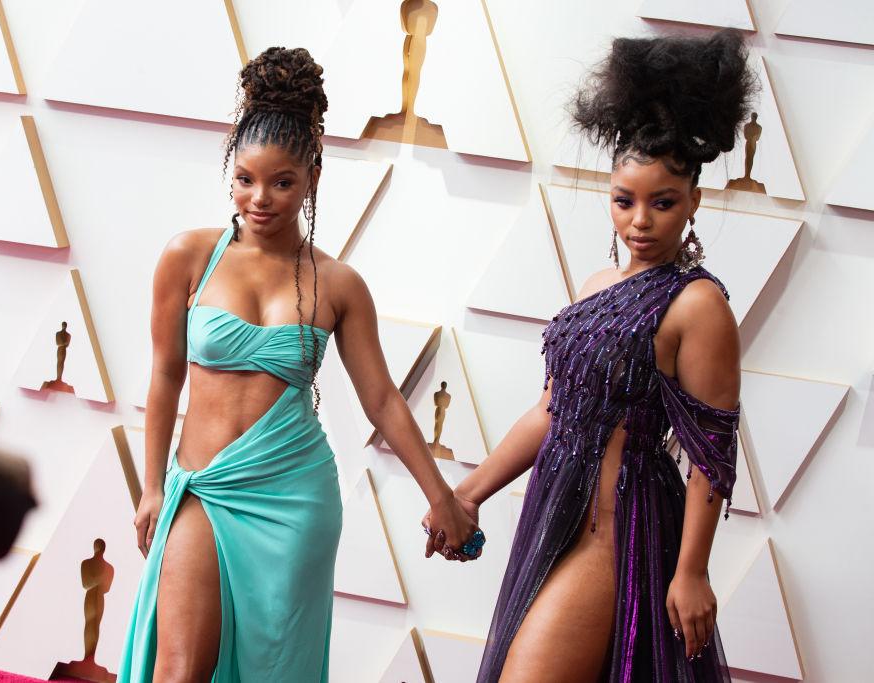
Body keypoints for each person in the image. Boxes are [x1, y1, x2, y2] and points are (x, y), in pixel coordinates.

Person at [118, 47, 480, 683]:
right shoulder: (188, 256)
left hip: (294, 497)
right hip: (202, 484)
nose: (260, 199)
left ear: (312, 175)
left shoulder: (338, 284)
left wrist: (442, 496)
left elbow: (383, 401)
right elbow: (165, 374)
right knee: (178, 671)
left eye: (281, 182)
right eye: (245, 179)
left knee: (274, 670)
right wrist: (151, 485)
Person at [436, 30, 756, 682]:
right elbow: (551, 410)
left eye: (663, 202)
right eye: (624, 200)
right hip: (552, 520)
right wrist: (467, 491)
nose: (640, 220)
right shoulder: (596, 286)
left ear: (694, 201)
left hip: (620, 536)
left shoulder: (698, 305)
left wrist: (691, 569)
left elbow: (711, 451)